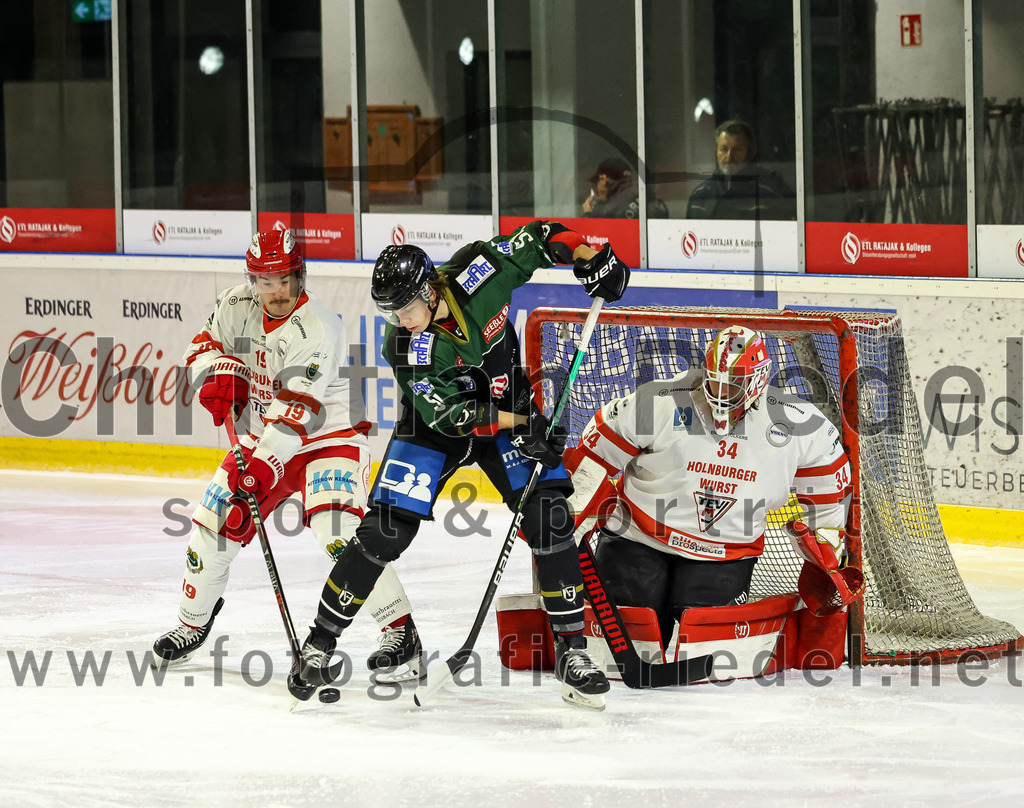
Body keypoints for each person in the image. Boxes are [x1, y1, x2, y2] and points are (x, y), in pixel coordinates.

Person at [295, 220, 630, 710]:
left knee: (550, 517)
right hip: (439, 427)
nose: (402, 320)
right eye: (391, 312)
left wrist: (586, 257)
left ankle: (573, 655)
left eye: (407, 307)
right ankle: (319, 644)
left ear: (431, 290)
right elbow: (454, 418)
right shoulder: (404, 345)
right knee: (385, 530)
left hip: (508, 411)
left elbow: (537, 238)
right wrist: (525, 423)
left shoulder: (480, 273)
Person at [152, 228, 423, 682]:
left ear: (300, 275)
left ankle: (400, 631)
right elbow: (201, 345)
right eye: (264, 280)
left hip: (326, 437)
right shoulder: (236, 304)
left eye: (283, 280)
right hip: (261, 436)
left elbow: (297, 410)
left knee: (337, 529)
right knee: (212, 527)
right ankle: (191, 623)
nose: (275, 291)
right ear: (251, 279)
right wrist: (216, 374)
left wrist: (260, 466)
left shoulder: (317, 327)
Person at [563, 325, 859, 651]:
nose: (720, 390)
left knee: (707, 655)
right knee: (618, 644)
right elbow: (594, 456)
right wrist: (569, 518)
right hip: (636, 539)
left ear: (758, 380)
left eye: (732, 383)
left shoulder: (798, 421)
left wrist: (826, 542)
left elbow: (830, 489)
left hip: (726, 554)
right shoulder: (658, 400)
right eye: (714, 379)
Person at [686, 120, 794, 220]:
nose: (729, 157)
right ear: (716, 152)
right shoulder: (700, 195)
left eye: (737, 149)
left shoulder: (772, 191)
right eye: (724, 149)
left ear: (750, 152)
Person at [582, 157, 669, 219]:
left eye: (596, 183)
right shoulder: (651, 199)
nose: (598, 192)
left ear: (603, 179)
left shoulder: (605, 211)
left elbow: (595, 237)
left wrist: (588, 214)